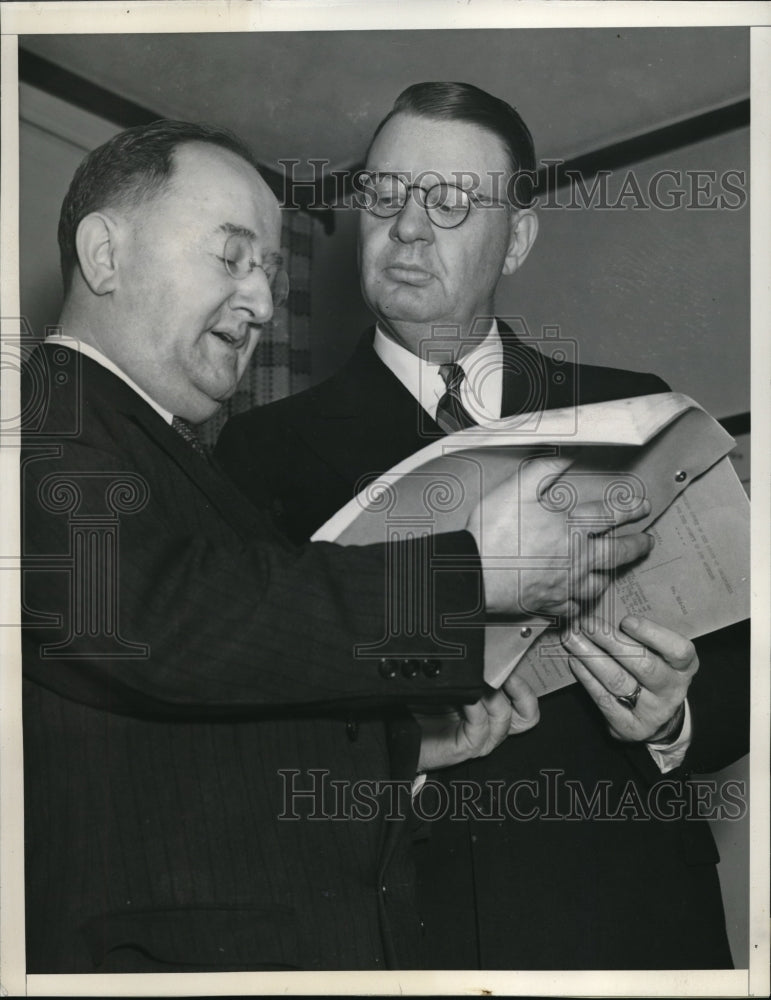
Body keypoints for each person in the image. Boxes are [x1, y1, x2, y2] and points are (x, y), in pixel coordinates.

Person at [20, 119, 652, 974]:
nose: (260, 303)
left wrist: (412, 746)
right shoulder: (32, 423)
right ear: (104, 253)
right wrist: (473, 571)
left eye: (270, 272)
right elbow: (152, 616)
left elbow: (186, 726)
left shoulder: (150, 446)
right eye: (231, 257)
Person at [216, 82, 749, 970]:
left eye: (451, 199)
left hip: (631, 919)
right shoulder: (260, 451)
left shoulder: (628, 410)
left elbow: (735, 667)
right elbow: (251, 730)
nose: (409, 227)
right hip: (406, 924)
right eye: (383, 195)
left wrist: (672, 717)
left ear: (518, 238)